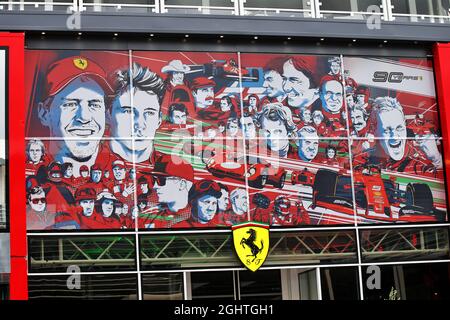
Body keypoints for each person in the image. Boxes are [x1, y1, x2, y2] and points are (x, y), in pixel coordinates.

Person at [37, 56, 113, 177]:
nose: (84, 117)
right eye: (70, 104)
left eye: (94, 104)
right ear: (44, 113)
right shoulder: (33, 168)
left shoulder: (119, 167)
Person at [355, 97, 443, 177]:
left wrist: (436, 159)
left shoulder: (418, 166)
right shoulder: (360, 159)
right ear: (374, 131)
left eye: (399, 128)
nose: (395, 137)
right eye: (387, 130)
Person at [110, 62, 165, 164]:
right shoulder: (91, 164)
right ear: (108, 114)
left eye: (149, 113)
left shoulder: (172, 168)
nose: (140, 125)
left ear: (159, 120)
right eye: (129, 111)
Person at [150, 153, 194, 228]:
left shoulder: (197, 218)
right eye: (154, 180)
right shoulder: (150, 215)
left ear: (182, 184)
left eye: (161, 180)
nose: (154, 186)